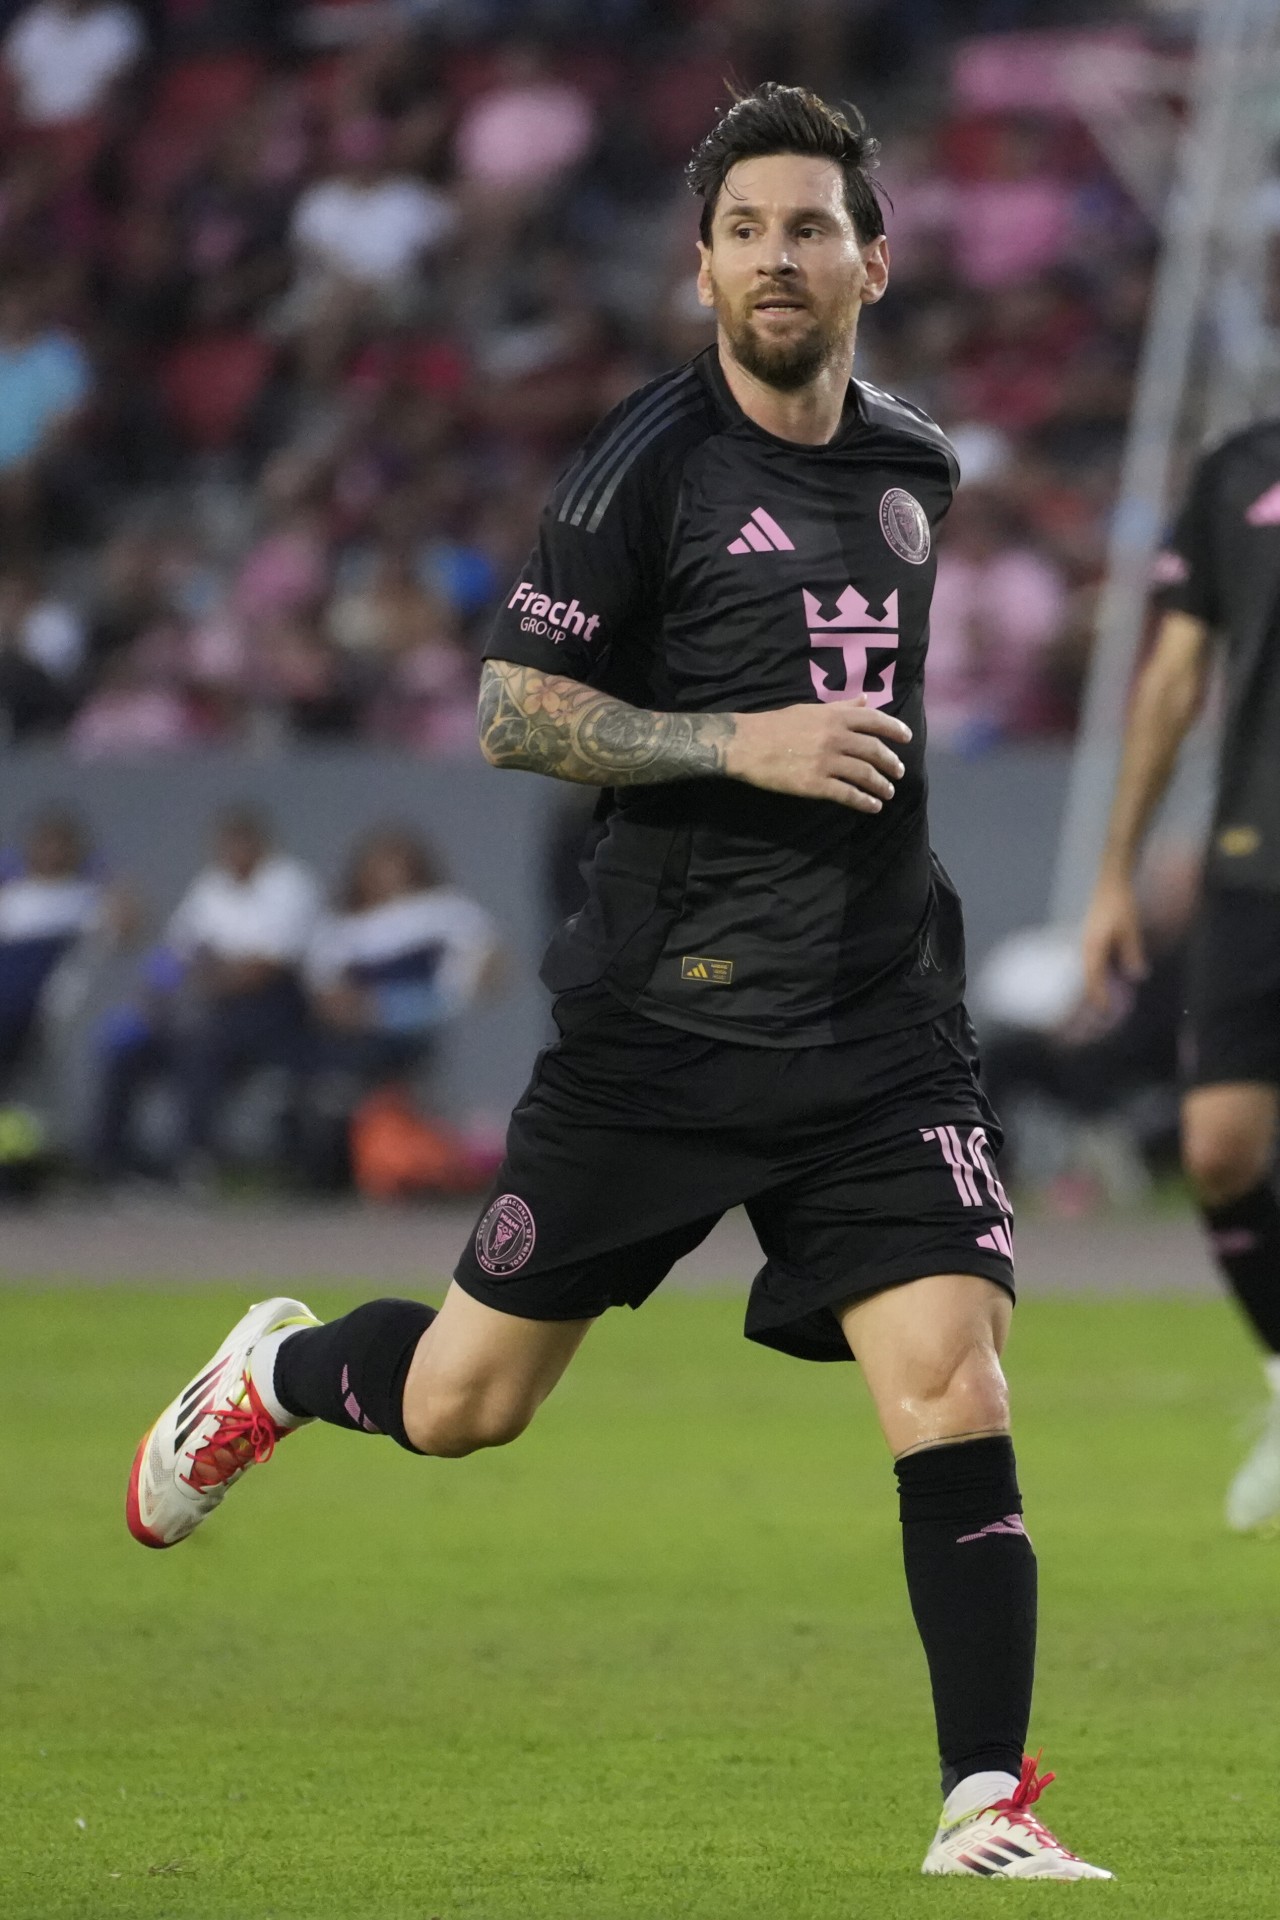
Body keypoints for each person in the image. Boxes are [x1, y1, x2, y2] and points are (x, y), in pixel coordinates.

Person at [126, 86, 1109, 1882]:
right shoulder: (641, 466)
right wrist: (743, 742)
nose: (776, 258)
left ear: (874, 262)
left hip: (878, 1023)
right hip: (662, 1028)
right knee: (464, 1407)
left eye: (809, 227)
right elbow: (513, 711)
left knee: (955, 1381)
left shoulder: (916, 464)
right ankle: (278, 1374)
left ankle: (985, 1805)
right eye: (743, 233)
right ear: (704, 270)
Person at [1082, 418, 1280, 1533]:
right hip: (1255, 864)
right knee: (1218, 1149)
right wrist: (1115, 871)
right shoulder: (1239, 469)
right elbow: (1171, 676)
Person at [93, 806, 319, 1180]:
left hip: (274, 1009)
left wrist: (207, 978)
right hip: (208, 1005)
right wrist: (151, 1001)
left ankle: (194, 1157)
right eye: (224, 846)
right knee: (127, 1049)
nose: (231, 854)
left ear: (260, 844)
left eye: (240, 844)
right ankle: (108, 1160)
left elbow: (266, 968)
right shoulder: (210, 885)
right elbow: (174, 955)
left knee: (200, 1044)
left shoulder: (290, 883)